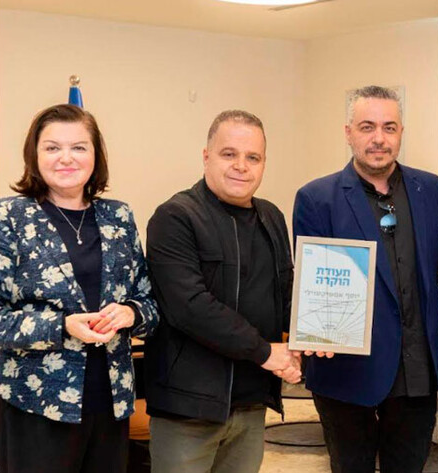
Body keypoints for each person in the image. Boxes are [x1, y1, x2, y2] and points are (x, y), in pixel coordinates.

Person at [0, 103, 159, 473]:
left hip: (111, 403)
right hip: (37, 404)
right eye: (52, 147)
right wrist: (61, 326)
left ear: (95, 156)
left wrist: (131, 313)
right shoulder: (5, 217)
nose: (66, 158)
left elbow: (149, 302)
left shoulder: (118, 217)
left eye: (78, 147)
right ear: (34, 156)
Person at [293, 85, 438, 473]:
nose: (379, 138)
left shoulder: (430, 189)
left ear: (401, 132)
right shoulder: (316, 198)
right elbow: (312, 285)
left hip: (416, 373)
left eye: (389, 127)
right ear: (348, 133)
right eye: (367, 127)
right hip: (347, 374)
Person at [144, 110, 298, 473]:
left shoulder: (271, 217)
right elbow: (191, 307)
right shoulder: (175, 217)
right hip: (189, 410)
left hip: (251, 404)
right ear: (206, 156)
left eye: (253, 157)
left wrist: (316, 336)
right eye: (229, 154)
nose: (241, 166)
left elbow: (286, 293)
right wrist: (265, 352)